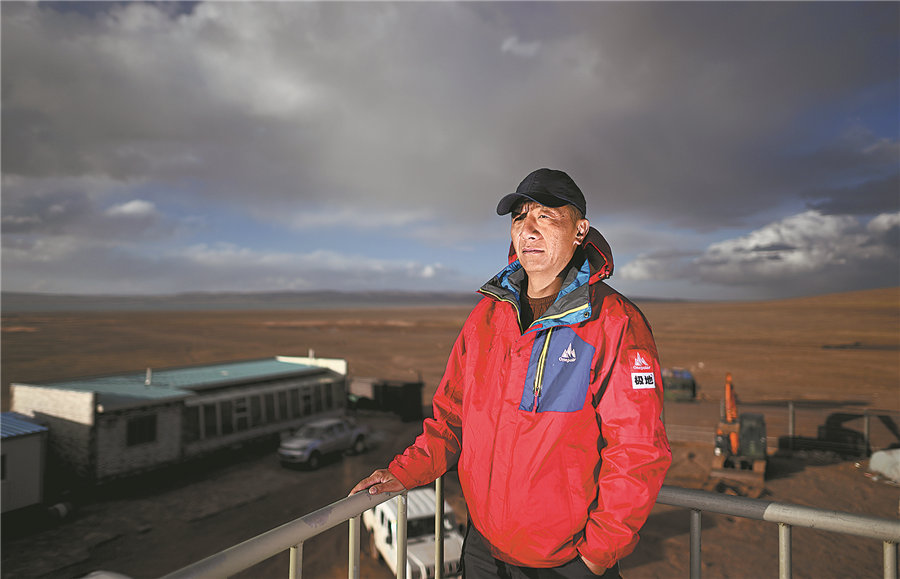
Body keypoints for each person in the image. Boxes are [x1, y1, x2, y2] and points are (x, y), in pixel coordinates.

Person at [351, 168, 672, 578]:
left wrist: (597, 553)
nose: (528, 229)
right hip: (484, 549)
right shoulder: (487, 317)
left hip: (565, 561)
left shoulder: (613, 322)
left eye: (546, 216)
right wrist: (403, 473)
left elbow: (638, 450)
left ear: (580, 231)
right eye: (520, 217)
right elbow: (451, 417)